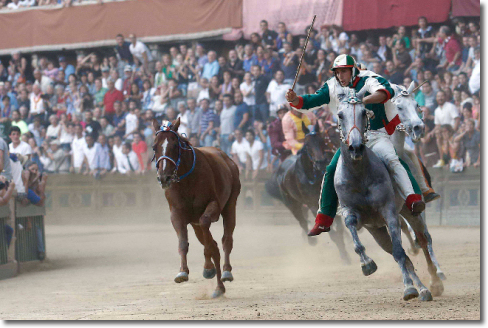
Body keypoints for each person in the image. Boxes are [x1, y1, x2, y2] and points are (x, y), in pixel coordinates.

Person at [286, 54, 425, 235]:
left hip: (375, 135)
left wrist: (364, 100)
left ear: (353, 70)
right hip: (349, 139)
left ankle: (412, 198)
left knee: (392, 159)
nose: (340, 76)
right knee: (330, 170)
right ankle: (324, 219)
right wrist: (295, 100)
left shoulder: (369, 78)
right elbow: (312, 101)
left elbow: (386, 92)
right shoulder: (332, 85)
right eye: (337, 72)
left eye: (344, 71)